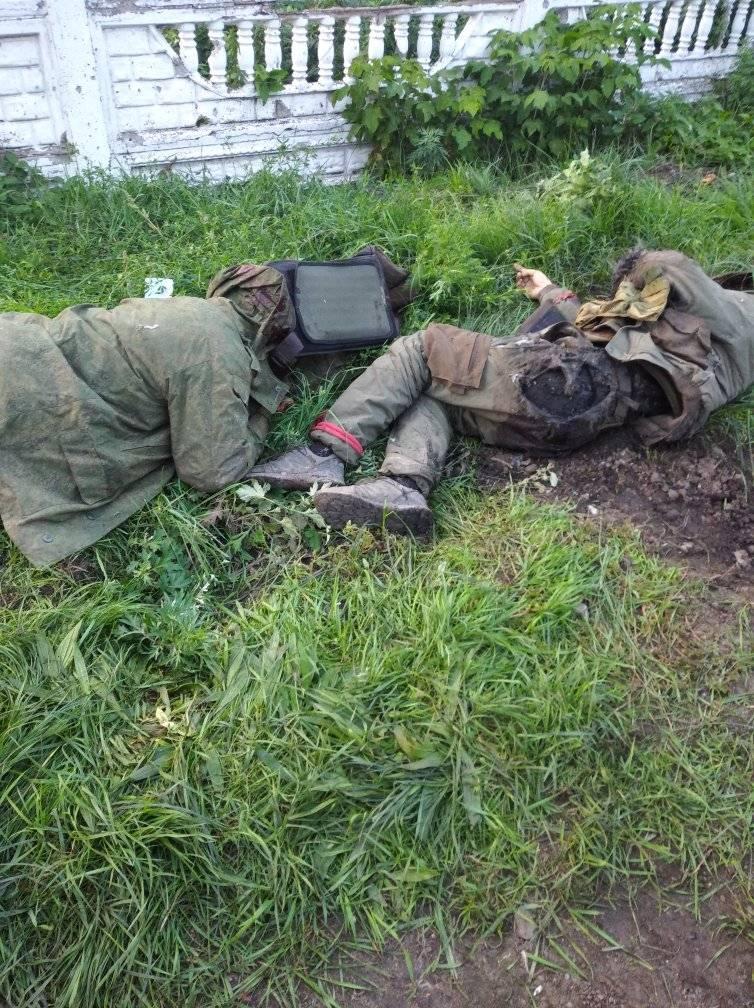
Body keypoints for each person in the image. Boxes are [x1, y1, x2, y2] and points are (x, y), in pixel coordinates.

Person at [251, 249, 754, 534]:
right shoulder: (725, 357)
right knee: (440, 395)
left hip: (563, 381)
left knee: (424, 349)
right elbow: (616, 334)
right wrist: (549, 291)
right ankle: (403, 487)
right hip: (579, 415)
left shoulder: (741, 314)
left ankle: (324, 453)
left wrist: (634, 268)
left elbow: (667, 265)